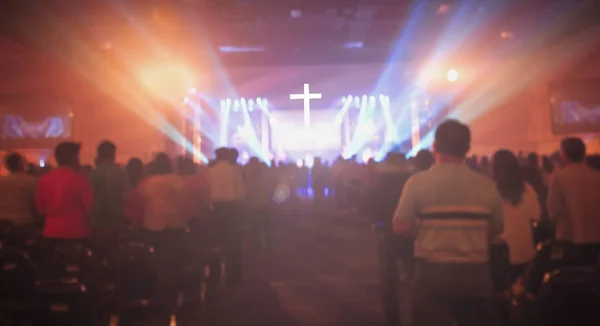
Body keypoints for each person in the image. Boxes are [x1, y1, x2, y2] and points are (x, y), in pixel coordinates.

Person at [393, 119, 503, 326]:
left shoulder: (417, 183)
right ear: (467, 149)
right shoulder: (487, 186)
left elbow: (400, 226)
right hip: (475, 273)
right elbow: (497, 228)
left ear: (435, 147)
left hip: (432, 273)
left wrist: (426, 231)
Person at [547, 137, 600, 265]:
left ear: (564, 155)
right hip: (596, 239)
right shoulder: (597, 176)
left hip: (569, 240)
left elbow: (553, 212)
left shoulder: (559, 177)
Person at [492, 150, 540, 281]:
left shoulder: (490, 191)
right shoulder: (527, 189)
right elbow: (536, 216)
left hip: (499, 258)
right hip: (525, 255)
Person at [36, 142, 94, 240]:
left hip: (51, 232)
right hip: (77, 232)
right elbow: (90, 208)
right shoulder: (80, 179)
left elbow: (40, 210)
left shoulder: (44, 179)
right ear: (74, 158)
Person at [207, 147, 246, 284]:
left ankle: (215, 273)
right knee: (234, 241)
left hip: (216, 208)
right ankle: (234, 275)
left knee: (217, 241)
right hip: (232, 208)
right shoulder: (234, 169)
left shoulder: (210, 171)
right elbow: (240, 191)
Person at [88, 140, 129, 234]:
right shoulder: (121, 173)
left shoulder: (91, 174)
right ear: (114, 155)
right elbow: (126, 197)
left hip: (96, 221)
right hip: (116, 221)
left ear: (98, 154)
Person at [0, 152, 37, 227]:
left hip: (2, 222)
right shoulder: (30, 181)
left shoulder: (2, 181)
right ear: (22, 164)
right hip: (23, 223)